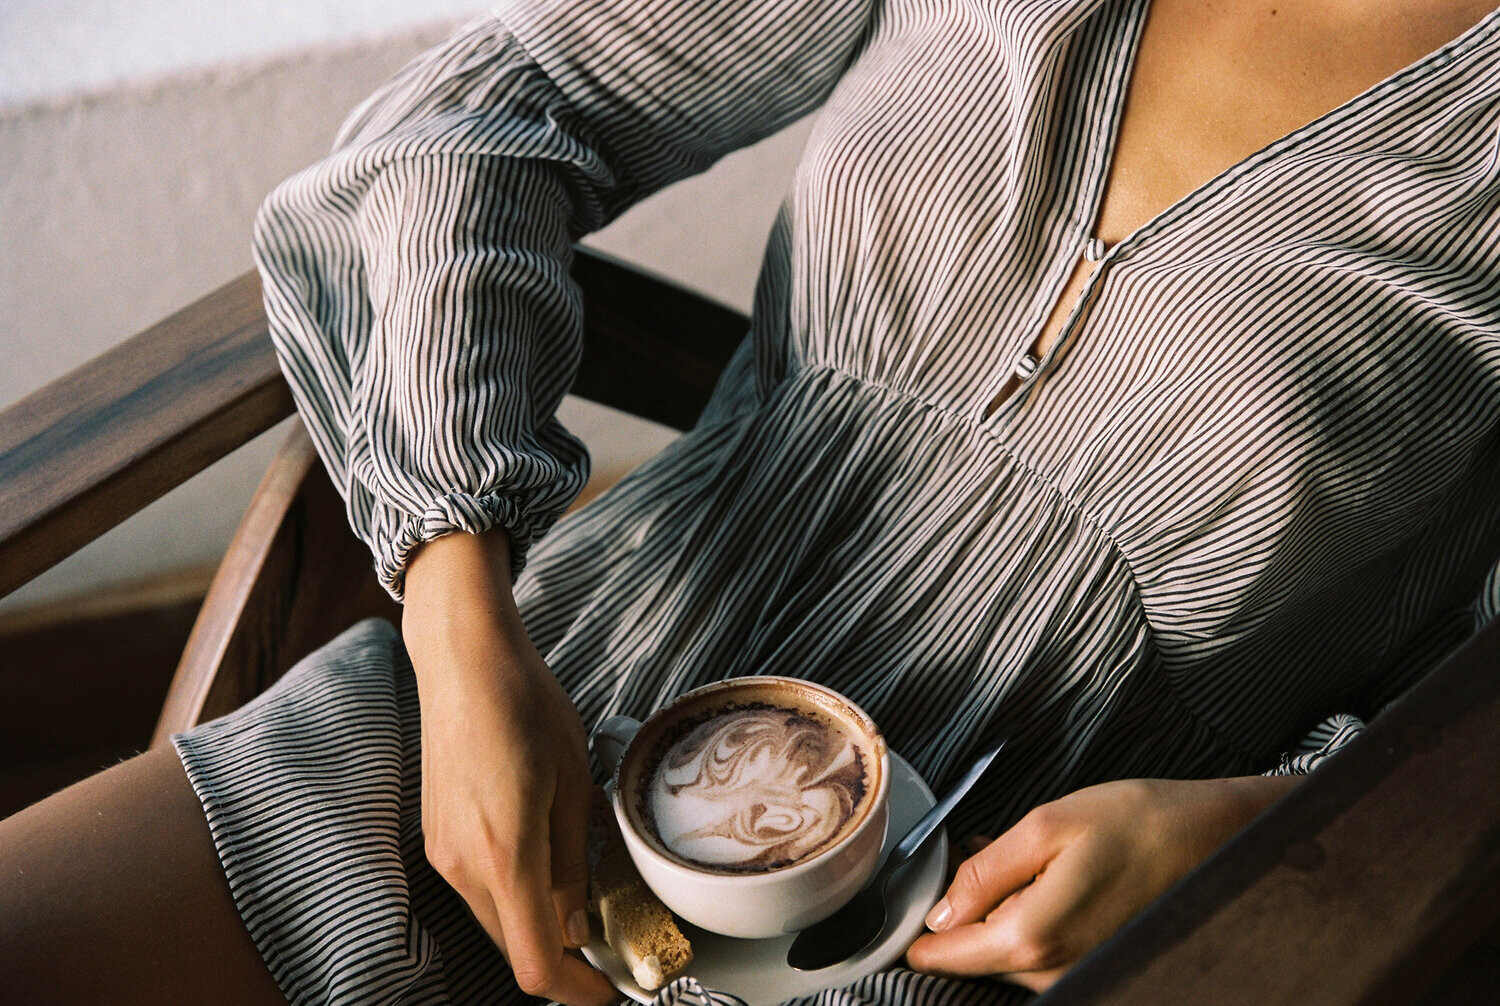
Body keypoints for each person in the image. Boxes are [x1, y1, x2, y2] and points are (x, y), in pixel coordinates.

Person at [4, 0, 1499, 1003]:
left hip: (962, 931)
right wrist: (458, 617)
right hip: (514, 709)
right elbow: (486, 113)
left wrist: (1259, 831)